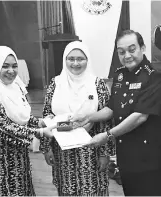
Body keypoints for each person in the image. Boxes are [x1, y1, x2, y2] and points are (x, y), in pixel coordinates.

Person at [71, 30, 161, 196]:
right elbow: (111, 109)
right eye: (121, 52)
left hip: (150, 156)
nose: (127, 56)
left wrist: (107, 135)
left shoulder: (154, 77)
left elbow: (139, 116)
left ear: (143, 48)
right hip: (127, 154)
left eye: (132, 49)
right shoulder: (120, 75)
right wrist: (87, 117)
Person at [0, 46, 54, 196]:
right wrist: (39, 132)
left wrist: (40, 122)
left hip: (17, 155)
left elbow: (20, 116)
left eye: (14, 66)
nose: (11, 71)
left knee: (20, 190)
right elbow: (2, 126)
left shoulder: (15, 87)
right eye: (5, 66)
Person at [39, 41, 115, 196]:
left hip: (91, 149)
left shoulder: (97, 84)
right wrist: (46, 148)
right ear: (64, 60)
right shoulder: (56, 83)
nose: (75, 63)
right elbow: (47, 115)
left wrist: (105, 153)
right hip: (62, 151)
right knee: (67, 189)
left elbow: (106, 120)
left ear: (88, 60)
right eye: (71, 58)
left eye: (80, 58)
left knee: (94, 189)